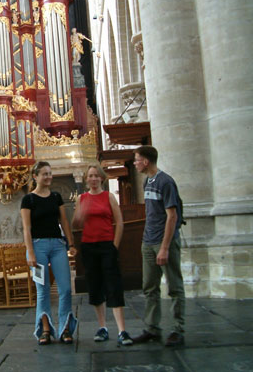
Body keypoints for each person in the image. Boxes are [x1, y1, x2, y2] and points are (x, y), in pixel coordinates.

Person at [71, 164, 133, 346]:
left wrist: (114, 245)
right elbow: (75, 224)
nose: (93, 179)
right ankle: (102, 327)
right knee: (95, 285)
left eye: (97, 176)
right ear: (86, 179)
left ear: (102, 178)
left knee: (113, 284)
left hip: (107, 245)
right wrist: (79, 215)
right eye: (90, 176)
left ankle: (122, 330)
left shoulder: (109, 197)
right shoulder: (81, 198)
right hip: (89, 247)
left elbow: (119, 223)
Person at [132, 145, 186, 347]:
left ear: (146, 161)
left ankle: (177, 329)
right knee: (150, 287)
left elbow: (172, 216)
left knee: (174, 286)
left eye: (137, 160)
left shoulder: (166, 182)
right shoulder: (148, 181)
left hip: (165, 243)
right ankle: (152, 329)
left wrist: (164, 247)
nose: (136, 163)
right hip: (148, 241)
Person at [21, 161, 78, 345]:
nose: (48, 176)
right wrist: (30, 253)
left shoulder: (56, 197)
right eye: (44, 173)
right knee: (42, 290)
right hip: (38, 246)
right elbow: (26, 228)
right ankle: (45, 329)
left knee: (66, 288)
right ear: (35, 176)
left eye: (50, 173)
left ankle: (65, 328)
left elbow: (64, 221)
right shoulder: (28, 199)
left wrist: (71, 243)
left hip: (57, 245)